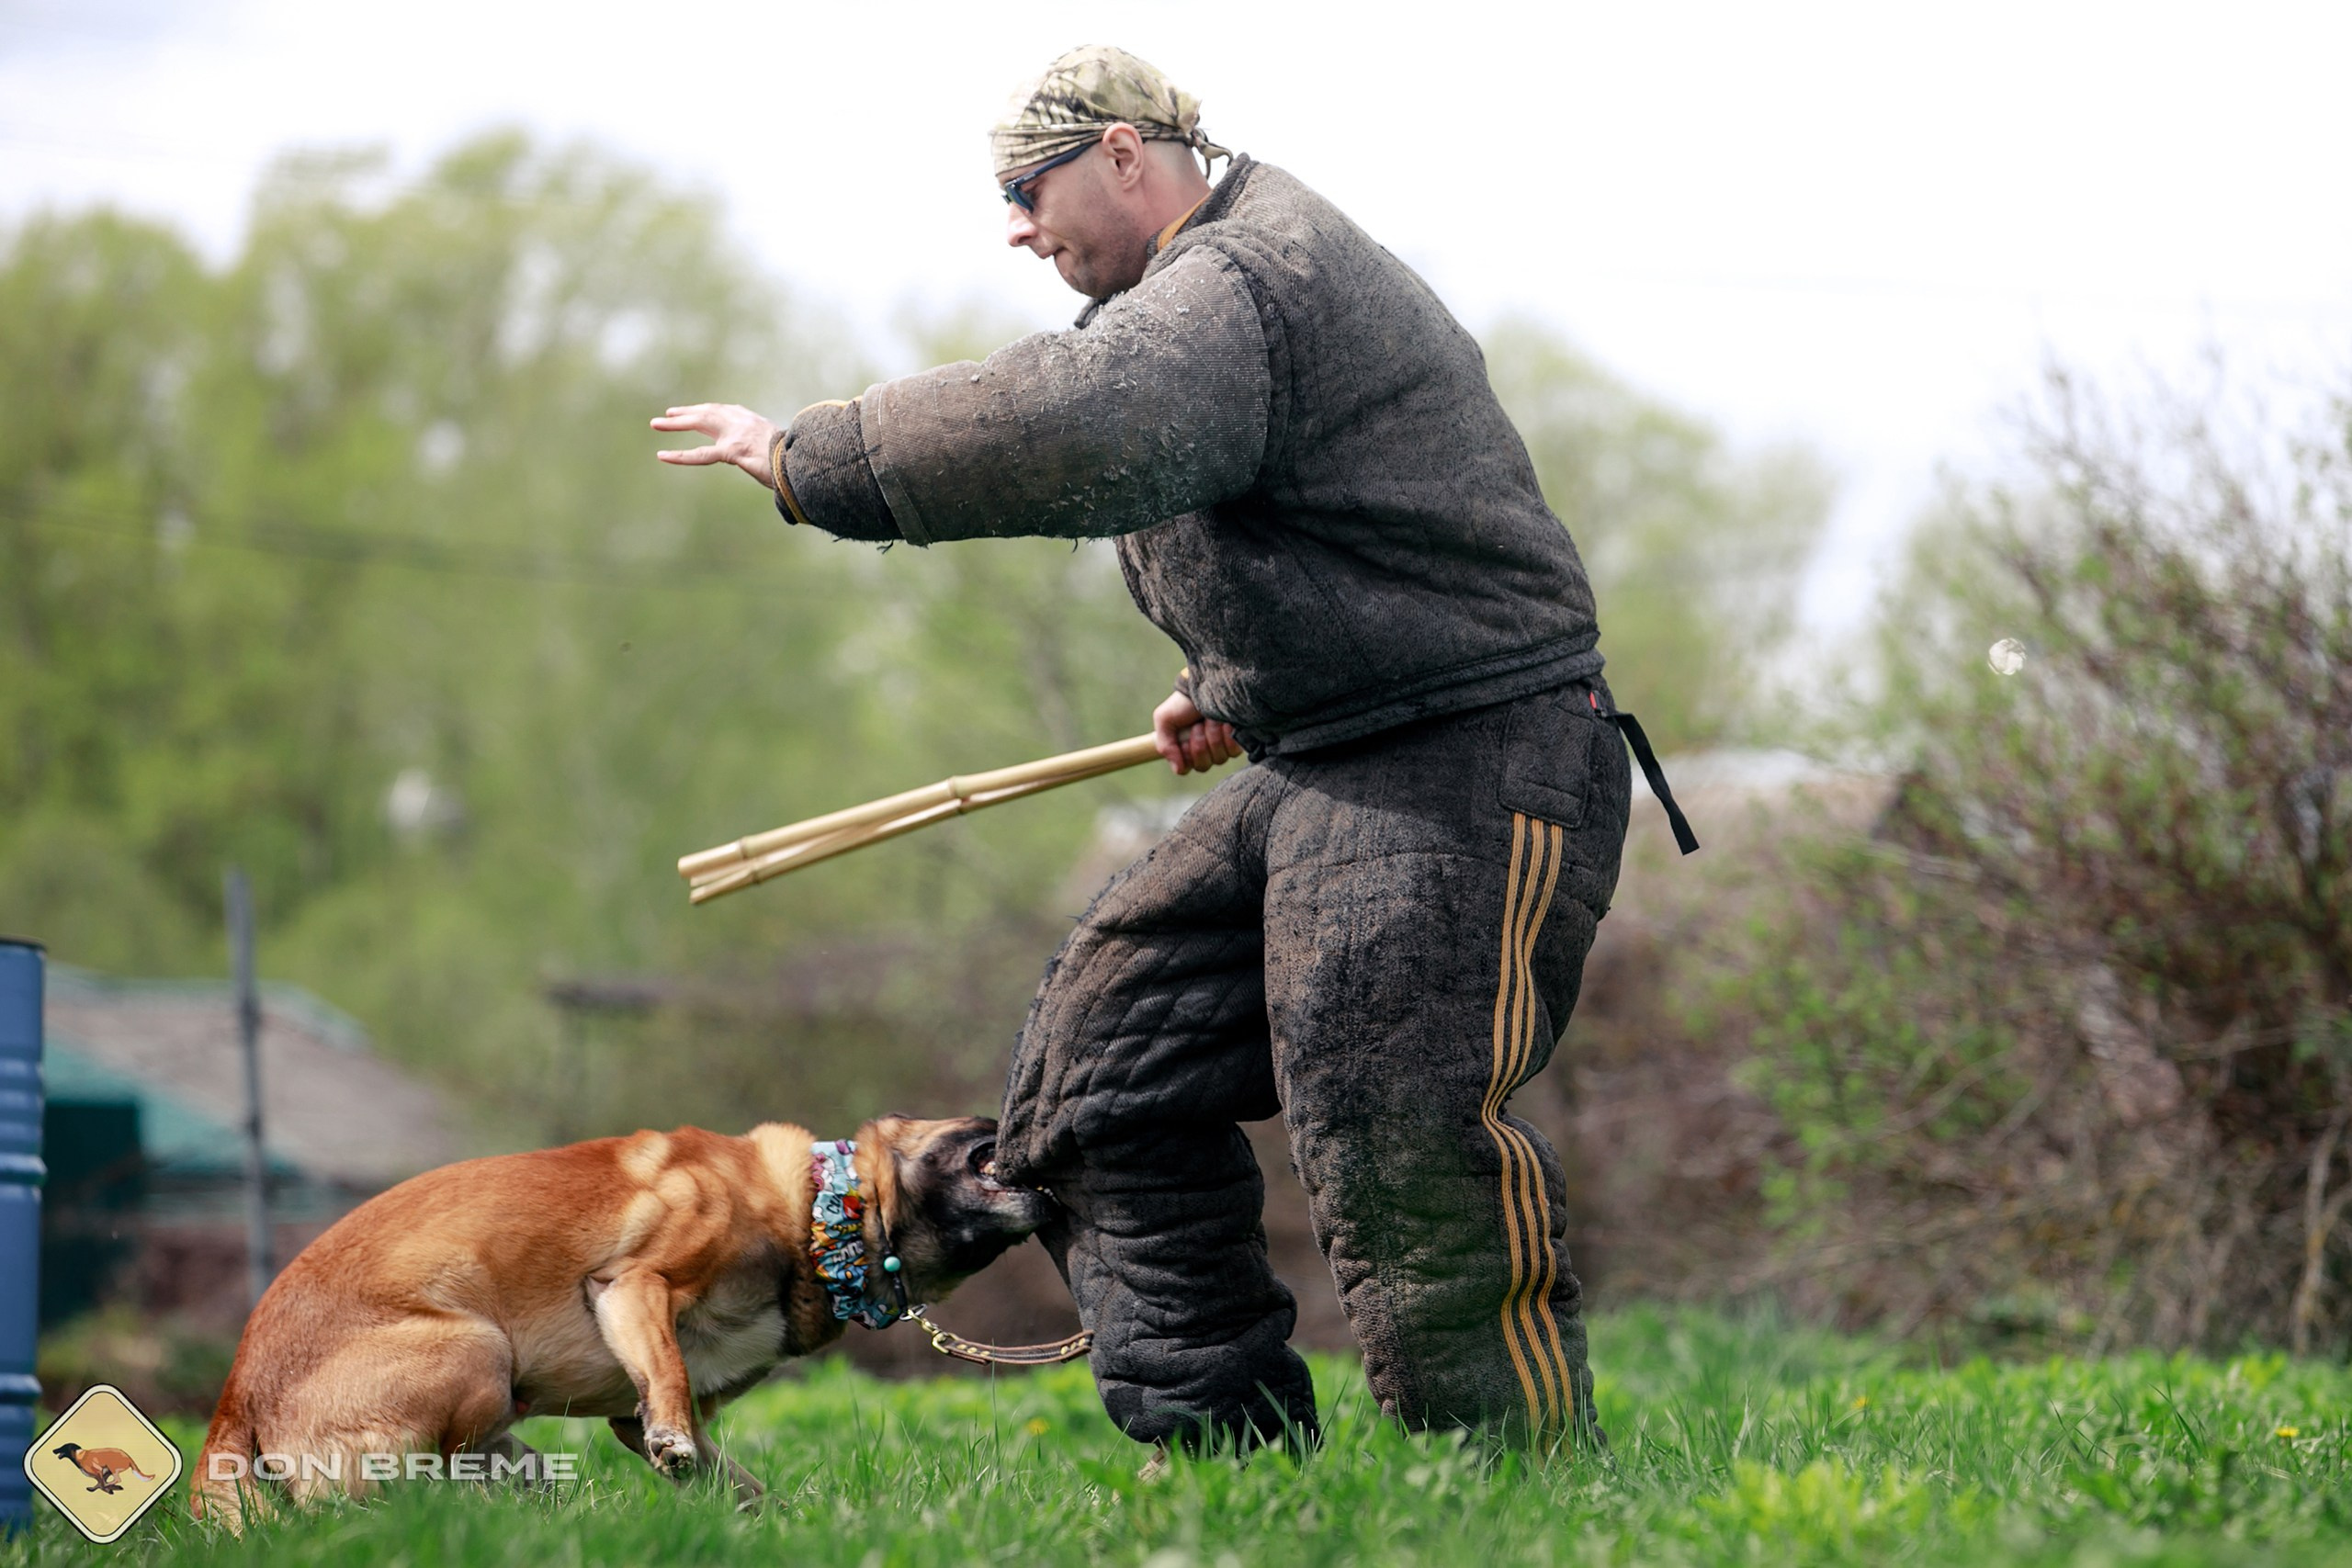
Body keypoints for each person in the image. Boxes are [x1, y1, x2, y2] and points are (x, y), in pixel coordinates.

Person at [652, 44, 1693, 1454]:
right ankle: (1232, 1465)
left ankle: (1510, 1480)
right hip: (1327, 752)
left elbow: (1090, 428)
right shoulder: (1193, 298)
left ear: (1127, 153)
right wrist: (1235, 681)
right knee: (1096, 1082)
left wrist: (811, 460)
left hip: (1473, 754)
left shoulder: (1249, 278)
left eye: (1029, 189)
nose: (1018, 226)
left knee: (1392, 1117)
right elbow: (1309, 522)